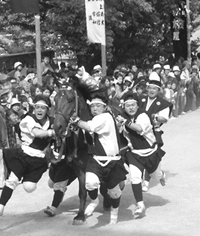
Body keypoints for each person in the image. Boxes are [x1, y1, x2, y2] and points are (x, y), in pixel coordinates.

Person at [0, 95, 55, 217]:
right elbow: (37, 133)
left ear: (47, 110)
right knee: (12, 180)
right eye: (37, 107)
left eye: (43, 108)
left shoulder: (52, 121)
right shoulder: (27, 119)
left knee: (29, 187)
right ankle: (0, 207)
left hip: (39, 160)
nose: (39, 110)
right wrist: (53, 132)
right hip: (23, 156)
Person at [69, 92, 128, 224]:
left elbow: (89, 127)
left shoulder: (105, 117)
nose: (94, 108)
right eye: (92, 106)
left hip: (112, 161)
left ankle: (114, 213)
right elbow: (86, 129)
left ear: (105, 107)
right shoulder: (96, 118)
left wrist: (76, 120)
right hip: (96, 160)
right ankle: (94, 200)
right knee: (90, 182)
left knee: (114, 193)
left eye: (98, 106)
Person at [116, 93, 166, 218]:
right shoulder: (122, 116)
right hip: (134, 154)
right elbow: (119, 131)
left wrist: (125, 122)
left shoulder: (143, 115)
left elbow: (139, 129)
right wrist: (117, 125)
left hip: (150, 153)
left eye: (133, 105)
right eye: (128, 106)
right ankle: (140, 204)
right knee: (135, 178)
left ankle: (161, 174)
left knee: (156, 176)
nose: (131, 108)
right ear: (124, 107)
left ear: (138, 105)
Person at [138, 72, 172, 192]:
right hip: (137, 132)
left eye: (155, 89)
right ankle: (143, 179)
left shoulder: (163, 104)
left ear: (158, 90)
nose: (152, 90)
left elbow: (164, 119)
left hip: (153, 132)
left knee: (151, 160)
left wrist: (155, 116)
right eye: (150, 88)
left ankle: (154, 177)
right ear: (147, 88)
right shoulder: (140, 99)